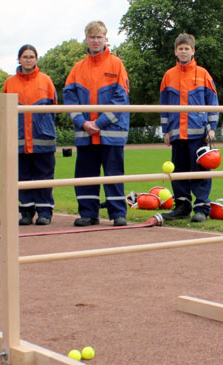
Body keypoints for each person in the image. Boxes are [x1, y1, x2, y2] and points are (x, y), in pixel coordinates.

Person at [63, 20, 130, 227]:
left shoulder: (116, 64)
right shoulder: (77, 68)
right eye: (92, 37)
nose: (95, 40)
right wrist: (83, 123)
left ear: (105, 38)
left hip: (111, 132)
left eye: (99, 37)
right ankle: (88, 213)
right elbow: (69, 97)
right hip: (85, 133)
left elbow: (121, 97)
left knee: (113, 174)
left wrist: (98, 123)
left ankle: (118, 214)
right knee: (85, 175)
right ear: (86, 39)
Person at [160, 33, 219, 223]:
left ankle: (201, 208)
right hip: (177, 133)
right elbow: (164, 106)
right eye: (180, 48)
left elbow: (213, 102)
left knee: (200, 171)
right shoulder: (168, 76)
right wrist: (166, 130)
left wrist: (212, 128)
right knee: (179, 173)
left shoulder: (203, 74)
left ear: (193, 51)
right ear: (175, 51)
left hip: (198, 133)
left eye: (187, 48)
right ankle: (182, 207)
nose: (183, 52)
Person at [2, 44, 57, 225]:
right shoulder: (10, 82)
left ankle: (45, 212)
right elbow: (5, 110)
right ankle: (26, 211)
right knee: (22, 176)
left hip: (42, 138)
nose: (28, 60)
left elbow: (54, 108)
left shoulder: (46, 80)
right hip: (18, 140)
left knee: (44, 176)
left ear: (36, 59)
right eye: (25, 56)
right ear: (19, 59)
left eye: (31, 56)